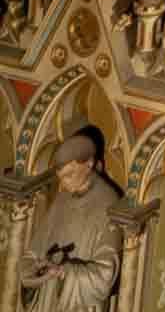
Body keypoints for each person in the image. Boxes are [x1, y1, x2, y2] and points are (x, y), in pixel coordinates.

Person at [19, 127, 124, 307]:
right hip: (49, 299)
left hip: (80, 303)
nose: (64, 183)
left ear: (89, 164)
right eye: (61, 177)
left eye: (69, 174)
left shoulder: (108, 203)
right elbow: (34, 251)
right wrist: (36, 268)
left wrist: (64, 272)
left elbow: (106, 273)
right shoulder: (63, 198)